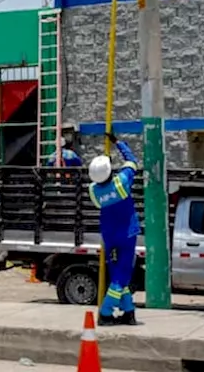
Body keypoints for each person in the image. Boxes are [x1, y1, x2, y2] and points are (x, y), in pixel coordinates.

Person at [88, 132, 141, 326]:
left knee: (118, 273)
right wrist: (118, 143)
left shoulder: (93, 191)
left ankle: (128, 311)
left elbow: (101, 183)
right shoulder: (122, 182)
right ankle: (106, 312)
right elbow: (132, 161)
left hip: (109, 237)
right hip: (127, 234)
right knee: (121, 277)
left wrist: (105, 168)